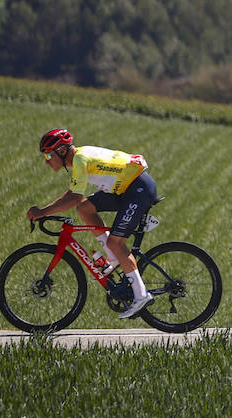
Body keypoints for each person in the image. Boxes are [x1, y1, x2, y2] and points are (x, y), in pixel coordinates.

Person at [28, 128, 159, 319]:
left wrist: (42, 212)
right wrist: (44, 210)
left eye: (48, 155)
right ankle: (113, 257)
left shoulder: (80, 160)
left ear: (62, 151)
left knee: (116, 242)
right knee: (84, 208)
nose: (47, 161)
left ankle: (141, 296)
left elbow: (73, 197)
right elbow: (73, 194)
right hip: (125, 188)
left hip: (138, 189)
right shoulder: (79, 158)